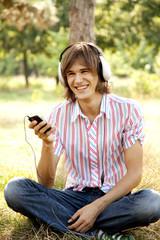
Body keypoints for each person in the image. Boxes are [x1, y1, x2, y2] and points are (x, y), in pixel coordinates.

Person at [4, 42, 160, 240]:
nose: (78, 80)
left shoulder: (128, 110)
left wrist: (95, 208)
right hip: (73, 197)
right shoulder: (59, 114)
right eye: (70, 74)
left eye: (84, 71)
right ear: (64, 78)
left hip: (114, 199)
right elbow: (46, 182)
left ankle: (55, 220)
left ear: (102, 72)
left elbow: (134, 175)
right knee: (15, 189)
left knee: (152, 202)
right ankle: (97, 235)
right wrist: (47, 144)